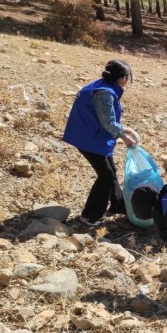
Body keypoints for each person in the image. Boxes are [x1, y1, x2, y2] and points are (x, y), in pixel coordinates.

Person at [63, 59, 140, 227]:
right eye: (128, 76)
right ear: (122, 77)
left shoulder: (105, 85)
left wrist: (124, 133)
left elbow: (107, 121)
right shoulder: (105, 93)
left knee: (111, 170)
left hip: (90, 135)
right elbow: (108, 123)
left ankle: (118, 204)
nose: (129, 80)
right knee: (106, 176)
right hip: (88, 139)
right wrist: (125, 135)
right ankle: (90, 215)